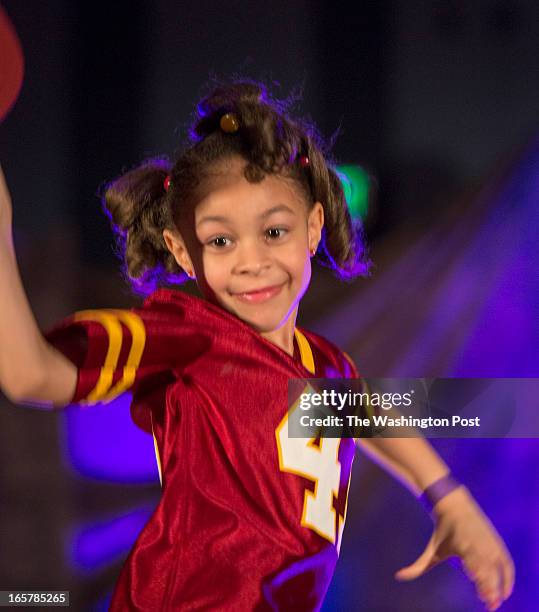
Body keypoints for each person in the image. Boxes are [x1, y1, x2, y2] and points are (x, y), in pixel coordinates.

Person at [0, 80, 514, 611]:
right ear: (181, 250)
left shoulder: (326, 368)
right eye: (221, 240)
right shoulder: (189, 336)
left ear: (313, 227)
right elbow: (31, 375)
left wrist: (449, 497)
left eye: (274, 232)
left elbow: (367, 411)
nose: (251, 261)